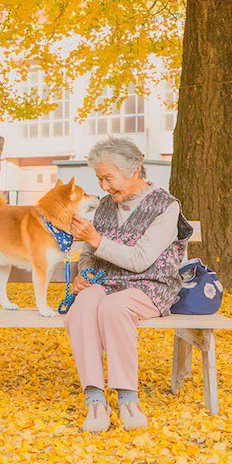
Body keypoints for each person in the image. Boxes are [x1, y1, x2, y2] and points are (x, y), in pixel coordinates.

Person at [66, 136, 192, 433]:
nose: (104, 186)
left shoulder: (166, 206)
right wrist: (84, 274)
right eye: (99, 179)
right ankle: (95, 400)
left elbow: (140, 260)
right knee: (84, 304)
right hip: (106, 282)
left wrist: (95, 239)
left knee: (114, 307)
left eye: (109, 178)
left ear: (134, 170)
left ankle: (127, 399)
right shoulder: (105, 206)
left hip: (149, 285)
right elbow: (87, 254)